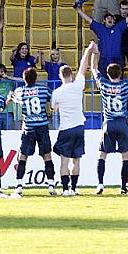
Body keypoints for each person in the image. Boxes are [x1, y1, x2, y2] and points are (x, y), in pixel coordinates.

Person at [89, 47, 128, 195]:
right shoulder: (125, 84)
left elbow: (94, 68)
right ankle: (123, 187)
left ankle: (100, 184)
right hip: (122, 122)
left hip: (108, 123)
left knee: (102, 154)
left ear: (108, 74)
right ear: (121, 73)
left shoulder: (104, 84)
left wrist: (94, 52)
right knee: (125, 155)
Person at [52, 42, 94, 196]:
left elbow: (53, 108)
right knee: (76, 160)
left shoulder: (57, 92)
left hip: (65, 128)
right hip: (78, 127)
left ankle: (64, 189)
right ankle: (74, 188)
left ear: (60, 76)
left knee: (64, 160)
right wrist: (88, 51)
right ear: (71, 74)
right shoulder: (78, 85)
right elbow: (83, 67)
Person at [8, 67, 56, 196]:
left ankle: (18, 185)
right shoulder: (43, 89)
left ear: (24, 79)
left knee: (23, 156)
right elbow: (53, 99)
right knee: (47, 155)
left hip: (28, 127)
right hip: (42, 127)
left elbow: (13, 98)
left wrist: (11, 96)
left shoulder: (20, 91)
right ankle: (51, 184)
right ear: (36, 78)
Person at [76, 5, 128, 77]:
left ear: (114, 21)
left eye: (112, 18)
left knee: (118, 82)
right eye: (108, 18)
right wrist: (78, 10)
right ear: (104, 21)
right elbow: (88, 19)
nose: (110, 19)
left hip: (117, 59)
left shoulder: (118, 28)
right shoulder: (100, 28)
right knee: (103, 82)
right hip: (104, 60)